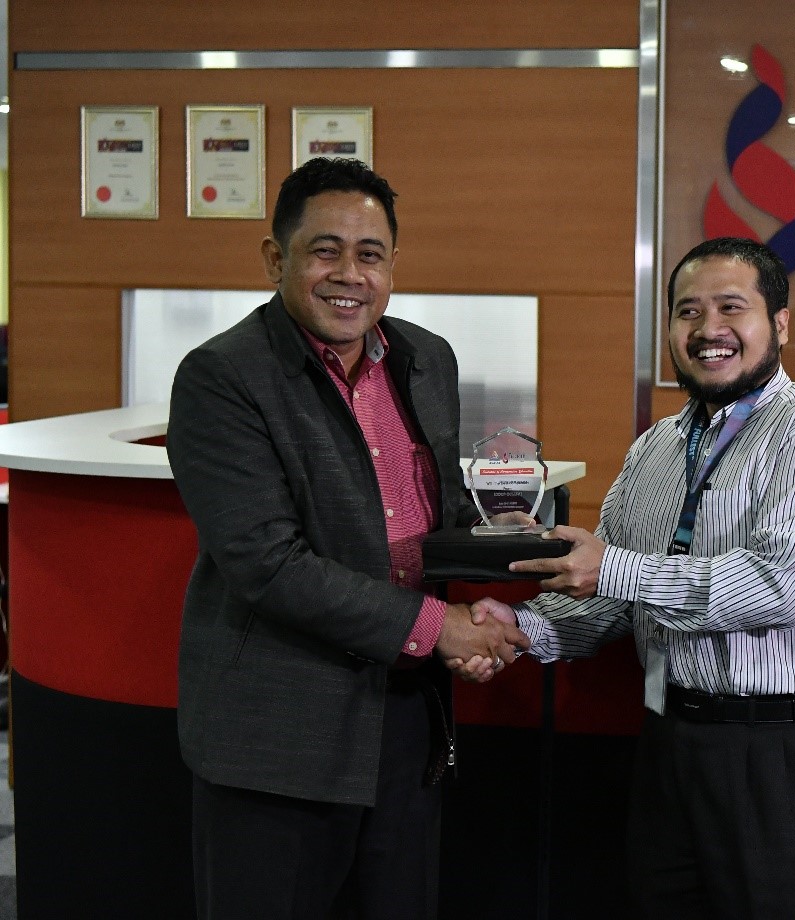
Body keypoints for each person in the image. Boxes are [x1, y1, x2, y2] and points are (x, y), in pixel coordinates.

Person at [466, 237, 795, 920]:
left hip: (789, 754)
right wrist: (521, 628)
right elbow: (614, 597)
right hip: (672, 745)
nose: (707, 329)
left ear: (780, 324)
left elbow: (779, 587)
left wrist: (616, 568)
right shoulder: (656, 447)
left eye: (731, 308)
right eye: (688, 312)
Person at [166, 156, 528, 920]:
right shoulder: (222, 376)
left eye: (370, 254)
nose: (349, 276)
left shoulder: (425, 358)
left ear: (392, 265)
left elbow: (429, 515)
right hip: (278, 737)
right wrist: (440, 627)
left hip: (403, 716)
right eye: (323, 251)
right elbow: (268, 564)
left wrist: (497, 548)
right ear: (276, 258)